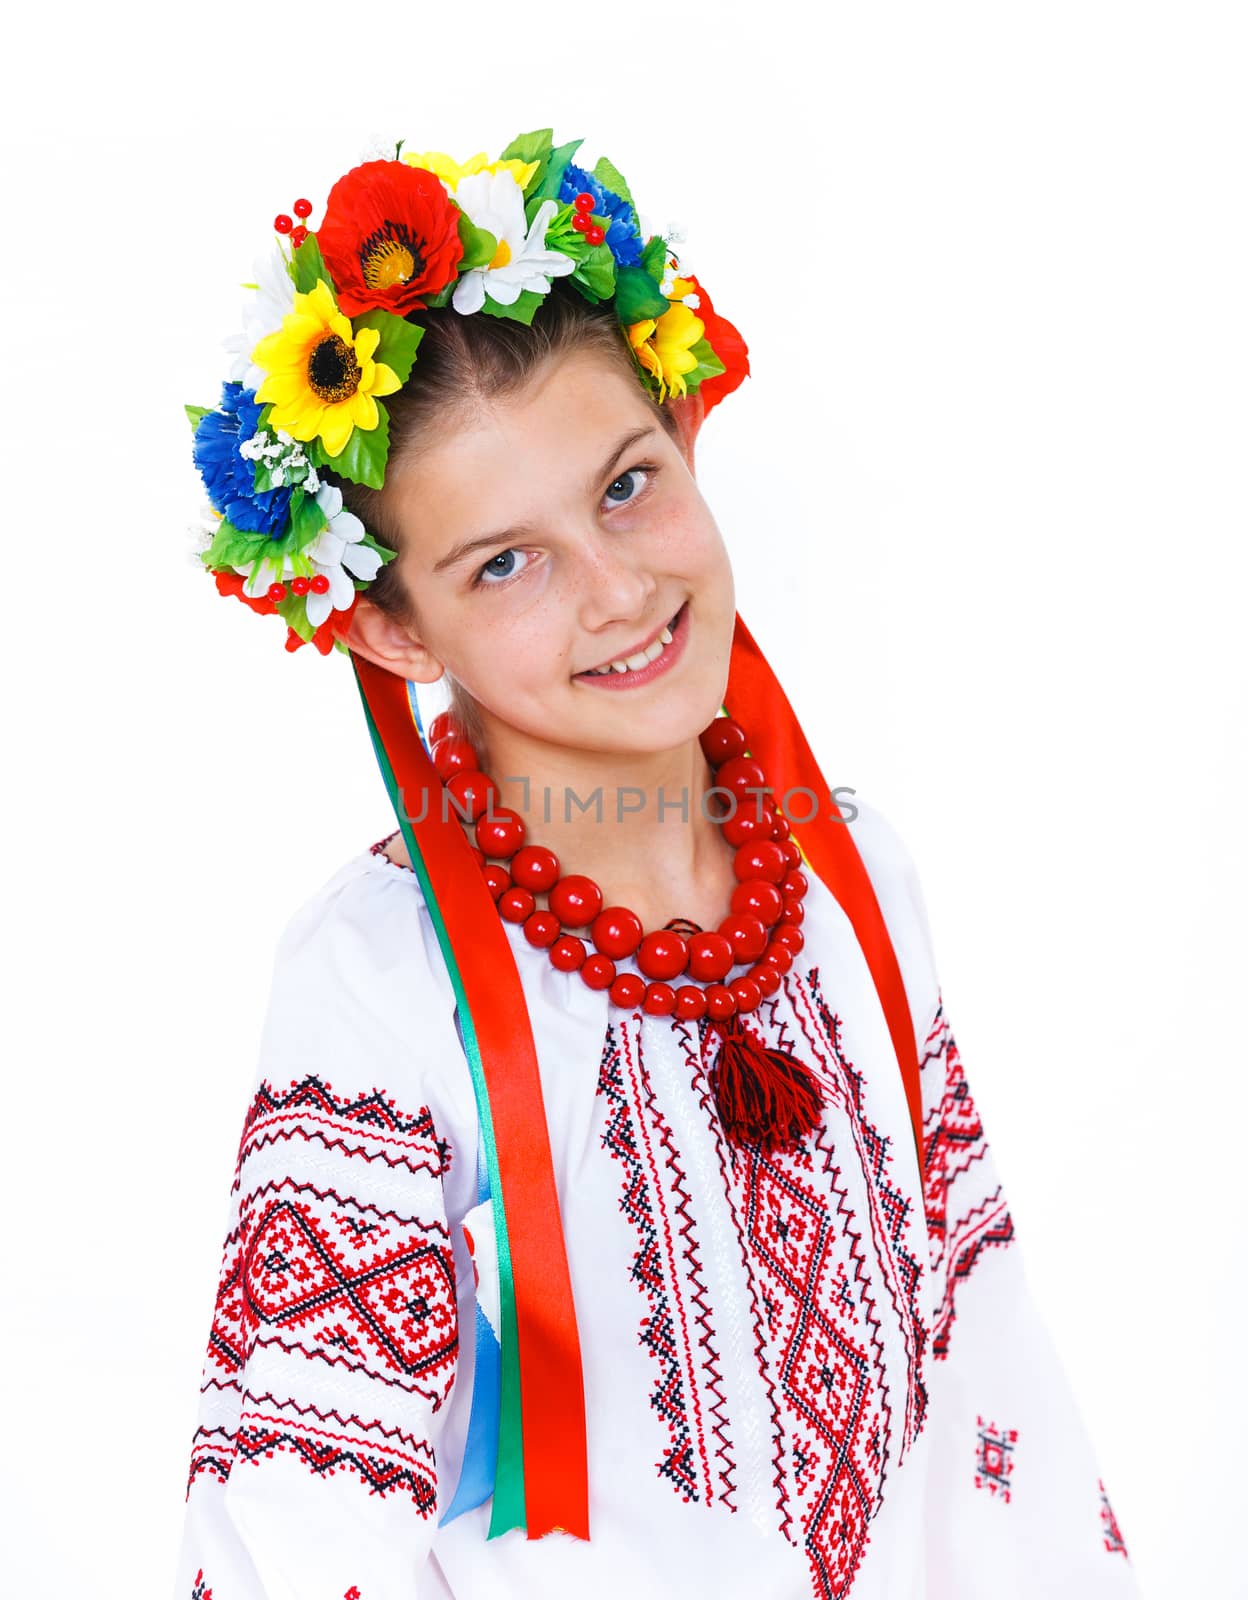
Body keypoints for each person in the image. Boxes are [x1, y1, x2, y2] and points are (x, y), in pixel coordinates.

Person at [174, 129, 1142, 1600]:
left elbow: (982, 1379)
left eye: (626, 485)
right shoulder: (382, 984)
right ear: (394, 631)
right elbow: (300, 1527)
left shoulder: (851, 878)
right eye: (504, 563)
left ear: (686, 430)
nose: (621, 589)